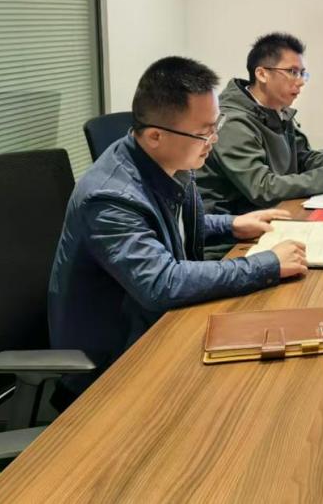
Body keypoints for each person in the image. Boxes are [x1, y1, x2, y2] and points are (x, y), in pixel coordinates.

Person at [49, 57, 309, 403]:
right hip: (118, 364)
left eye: (216, 125)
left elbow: (168, 224)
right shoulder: (109, 197)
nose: (214, 140)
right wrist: (267, 264)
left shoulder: (166, 160)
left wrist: (233, 224)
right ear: (155, 135)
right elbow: (162, 282)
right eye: (204, 132)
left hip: (160, 326)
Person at [197, 32, 323, 223]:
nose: (301, 81)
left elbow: (303, 158)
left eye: (302, 73)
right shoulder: (232, 122)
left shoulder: (276, 110)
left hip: (271, 214)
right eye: (292, 72)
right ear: (262, 74)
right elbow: (263, 188)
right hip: (233, 229)